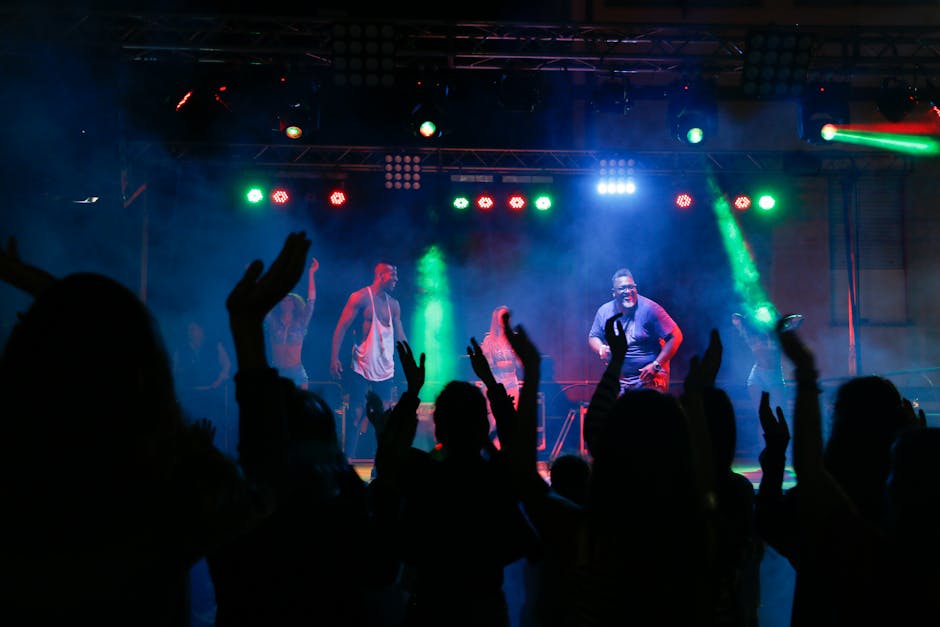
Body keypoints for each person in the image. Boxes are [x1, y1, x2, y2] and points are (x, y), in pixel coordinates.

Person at [330, 261, 408, 459]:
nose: (397, 279)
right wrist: (334, 357)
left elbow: (401, 336)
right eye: (393, 275)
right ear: (381, 276)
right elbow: (341, 327)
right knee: (357, 415)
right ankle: (346, 463)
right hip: (362, 367)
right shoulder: (360, 297)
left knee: (384, 419)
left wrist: (412, 364)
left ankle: (380, 467)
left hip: (385, 370)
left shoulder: (394, 305)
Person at [588, 267, 683, 394]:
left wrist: (656, 365)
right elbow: (593, 336)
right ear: (613, 292)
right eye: (622, 288)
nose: (628, 291)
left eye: (631, 287)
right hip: (622, 379)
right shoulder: (604, 311)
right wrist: (601, 349)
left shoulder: (650, 309)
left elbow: (676, 336)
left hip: (650, 376)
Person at [264, 257, 318, 389]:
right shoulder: (274, 322)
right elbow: (263, 302)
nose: (286, 303)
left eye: (289, 301)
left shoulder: (301, 323)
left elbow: (311, 303)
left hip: (297, 372)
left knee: (301, 407)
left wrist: (311, 274)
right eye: (283, 300)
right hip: (277, 371)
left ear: (294, 304)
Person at [480, 305, 521, 444]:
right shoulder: (489, 340)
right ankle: (495, 450)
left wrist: (506, 363)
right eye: (502, 317)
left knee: (511, 417)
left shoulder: (515, 338)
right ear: (496, 320)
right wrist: (505, 363)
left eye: (507, 317)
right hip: (496, 383)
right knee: (494, 419)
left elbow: (519, 363)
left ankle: (509, 448)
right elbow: (490, 364)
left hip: (511, 382)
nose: (505, 320)